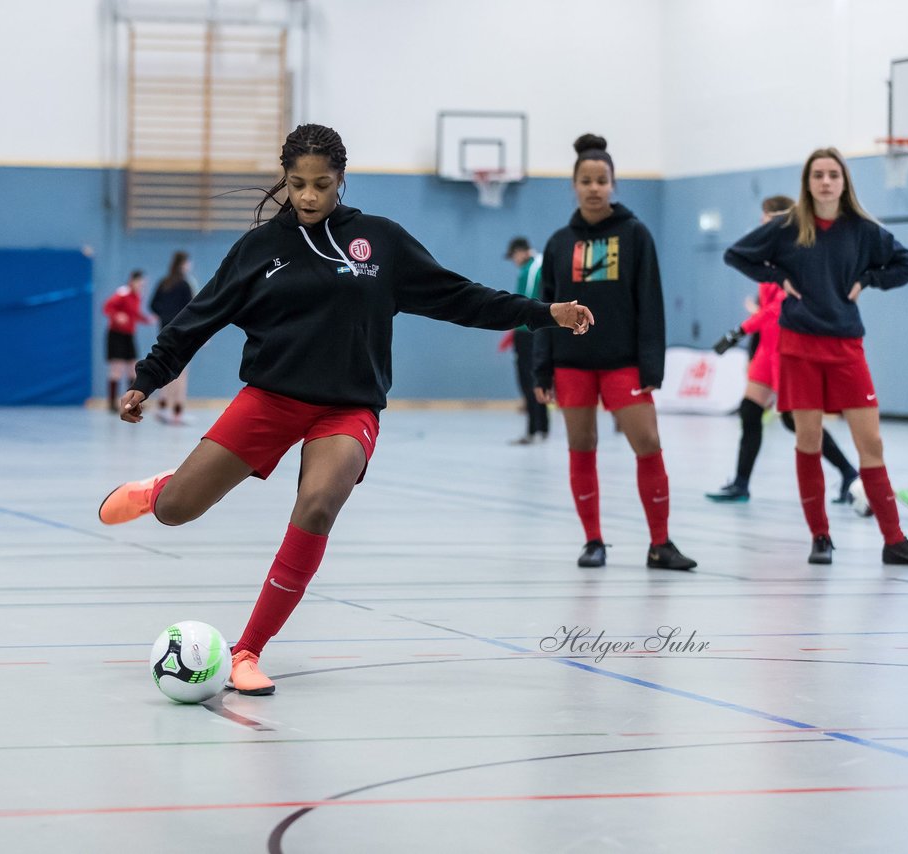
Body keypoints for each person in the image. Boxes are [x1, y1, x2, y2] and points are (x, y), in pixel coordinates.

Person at [97, 124, 594, 696]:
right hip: (270, 398)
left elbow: (460, 296)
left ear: (342, 180)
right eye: (298, 184)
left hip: (348, 408)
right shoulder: (257, 250)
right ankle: (158, 491)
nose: (309, 196)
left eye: (322, 184)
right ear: (284, 179)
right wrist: (148, 379)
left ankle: (247, 650)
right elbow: (196, 319)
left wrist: (541, 313)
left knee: (317, 506)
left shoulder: (380, 242)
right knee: (179, 511)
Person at [724, 147, 908, 566]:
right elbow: (737, 254)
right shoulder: (787, 227)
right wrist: (778, 277)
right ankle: (820, 536)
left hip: (845, 346)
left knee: (871, 443)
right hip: (798, 347)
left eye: (833, 175)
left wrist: (869, 280)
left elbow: (907, 264)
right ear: (808, 182)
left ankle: (894, 540)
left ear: (844, 182)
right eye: (818, 174)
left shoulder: (861, 229)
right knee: (808, 440)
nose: (825, 181)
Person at [532, 134, 697, 572]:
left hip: (624, 362)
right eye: (585, 180)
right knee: (581, 445)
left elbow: (651, 302)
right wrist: (541, 368)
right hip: (571, 363)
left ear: (613, 184)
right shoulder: (558, 243)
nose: (593, 188)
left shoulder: (636, 234)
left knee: (648, 443)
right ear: (574, 185)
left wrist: (651, 366)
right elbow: (544, 308)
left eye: (601, 180)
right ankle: (593, 541)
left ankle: (660, 543)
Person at [706, 195, 860, 504]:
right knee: (750, 411)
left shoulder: (796, 256)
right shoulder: (768, 257)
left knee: (794, 420)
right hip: (767, 349)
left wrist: (740, 330)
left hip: (788, 347)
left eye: (769, 223)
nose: (764, 229)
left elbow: (776, 308)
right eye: (763, 223)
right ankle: (741, 483)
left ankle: (848, 473)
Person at [497, 237, 548, 445]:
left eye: (514, 256)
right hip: (531, 330)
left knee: (528, 381)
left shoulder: (532, 269)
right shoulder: (535, 266)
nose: (514, 261)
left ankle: (533, 430)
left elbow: (525, 302)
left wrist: (516, 325)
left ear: (521, 251)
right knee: (536, 378)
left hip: (528, 332)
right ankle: (541, 428)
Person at [148, 251, 196, 425]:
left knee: (166, 367)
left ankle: (162, 406)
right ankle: (177, 410)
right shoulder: (184, 284)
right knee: (181, 371)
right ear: (183, 263)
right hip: (181, 332)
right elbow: (193, 309)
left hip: (164, 331)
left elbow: (152, 304)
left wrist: (164, 316)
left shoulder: (164, 283)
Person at [102, 270, 152, 411]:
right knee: (116, 369)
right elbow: (107, 307)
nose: (141, 286)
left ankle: (132, 402)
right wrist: (117, 315)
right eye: (140, 283)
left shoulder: (137, 296)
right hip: (116, 335)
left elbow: (134, 314)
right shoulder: (123, 293)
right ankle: (111, 403)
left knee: (132, 369)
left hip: (129, 336)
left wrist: (147, 319)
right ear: (132, 280)